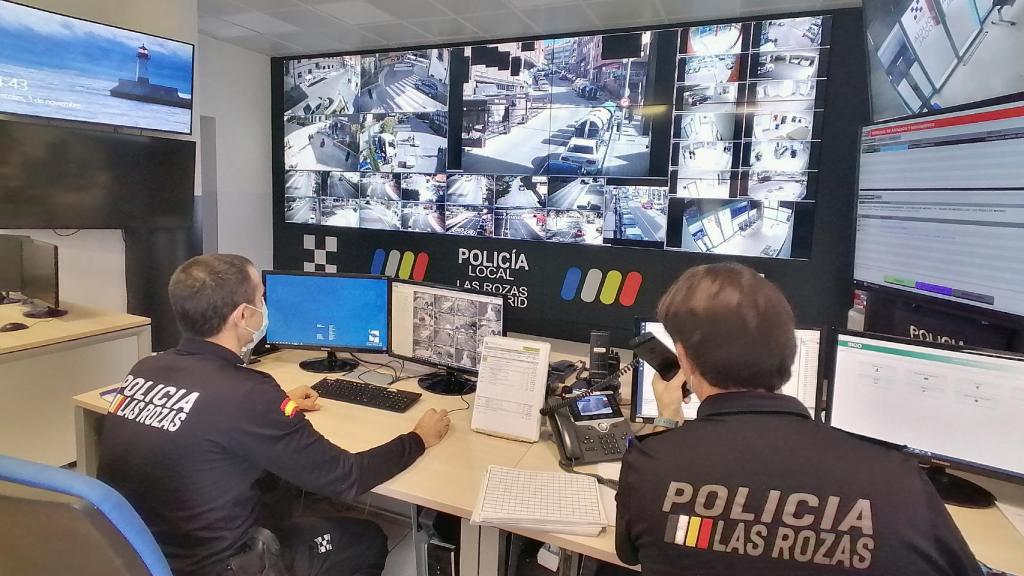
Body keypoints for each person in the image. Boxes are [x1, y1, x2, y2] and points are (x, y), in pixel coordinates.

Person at [615, 263, 982, 576]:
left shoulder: (650, 465)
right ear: (789, 353)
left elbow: (629, 552)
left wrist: (667, 423)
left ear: (684, 358)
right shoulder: (897, 479)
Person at [99, 254, 451, 576]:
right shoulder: (248, 394)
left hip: (143, 556)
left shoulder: (145, 368)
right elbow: (348, 477)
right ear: (242, 316)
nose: (264, 307)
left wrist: (274, 407)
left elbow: (202, 419)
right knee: (368, 537)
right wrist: (418, 438)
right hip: (225, 565)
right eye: (260, 298)